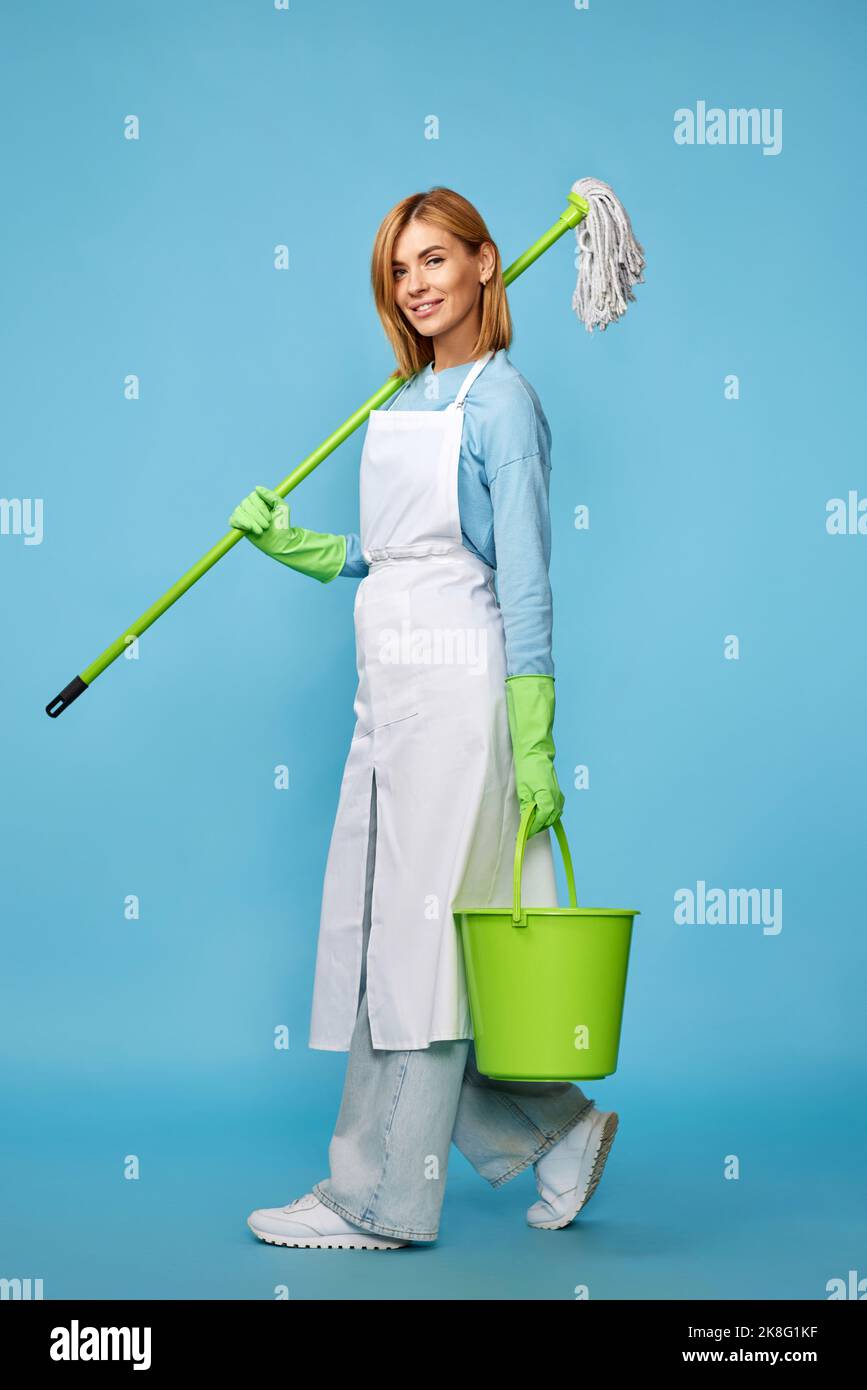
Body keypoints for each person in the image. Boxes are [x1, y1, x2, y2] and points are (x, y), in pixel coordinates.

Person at [230, 186, 618, 1249]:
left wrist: (533, 736)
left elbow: (526, 579)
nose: (417, 285)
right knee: (385, 934)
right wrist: (297, 546)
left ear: (489, 264)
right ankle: (553, 1133)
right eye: (401, 271)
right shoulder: (398, 402)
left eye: (437, 260)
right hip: (386, 690)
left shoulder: (504, 403)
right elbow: (391, 550)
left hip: (459, 694)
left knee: (415, 946)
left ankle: (380, 1199)